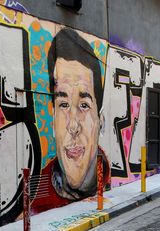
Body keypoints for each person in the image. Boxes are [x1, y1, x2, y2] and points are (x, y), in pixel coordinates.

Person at [31, 27, 109, 213]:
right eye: (63, 105)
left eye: (84, 105)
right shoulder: (34, 203)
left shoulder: (110, 177)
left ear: (100, 121)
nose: (73, 126)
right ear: (53, 121)